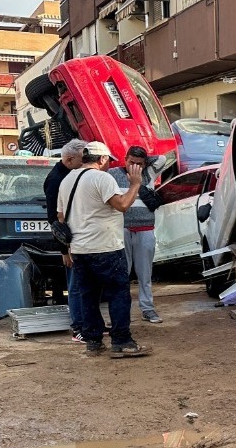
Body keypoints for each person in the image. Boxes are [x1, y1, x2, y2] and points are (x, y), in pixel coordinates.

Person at [57, 141, 151, 359]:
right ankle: (122, 341)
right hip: (106, 247)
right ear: (101, 159)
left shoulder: (67, 180)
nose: (110, 165)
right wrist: (135, 184)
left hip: (80, 250)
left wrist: (68, 248)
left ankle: (93, 341)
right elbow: (123, 205)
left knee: (88, 296)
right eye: (108, 160)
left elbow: (61, 218)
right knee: (118, 293)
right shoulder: (102, 178)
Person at [108, 146, 164, 324]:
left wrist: (144, 165)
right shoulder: (113, 174)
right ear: (125, 160)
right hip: (121, 229)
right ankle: (121, 313)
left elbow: (163, 158)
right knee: (121, 274)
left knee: (145, 274)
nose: (134, 167)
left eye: (139, 163)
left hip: (145, 229)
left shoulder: (149, 173)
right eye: (131, 162)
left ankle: (147, 309)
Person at [44, 139, 88, 339]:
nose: (85, 162)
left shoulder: (70, 173)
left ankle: (87, 322)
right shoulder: (56, 179)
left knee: (82, 283)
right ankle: (79, 326)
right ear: (70, 159)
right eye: (82, 158)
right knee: (75, 285)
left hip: (79, 238)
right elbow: (55, 219)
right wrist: (64, 249)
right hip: (69, 241)